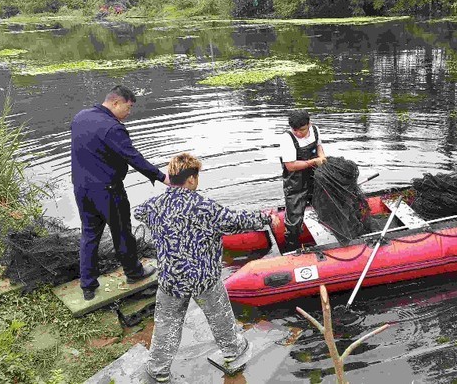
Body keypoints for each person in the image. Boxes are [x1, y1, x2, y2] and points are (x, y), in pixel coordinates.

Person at [134, 153, 279, 383]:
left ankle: (158, 369)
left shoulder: (154, 206)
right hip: (204, 279)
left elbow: (137, 212)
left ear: (171, 178)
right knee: (220, 319)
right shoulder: (204, 207)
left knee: (166, 327)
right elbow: (237, 221)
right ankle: (233, 351)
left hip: (171, 279)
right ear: (191, 179)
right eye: (197, 176)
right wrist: (267, 218)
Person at [70, 85, 170, 301]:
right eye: (129, 106)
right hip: (107, 190)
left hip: (81, 189)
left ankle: (88, 286)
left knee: (89, 235)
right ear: (116, 103)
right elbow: (133, 157)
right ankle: (134, 273)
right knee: (122, 232)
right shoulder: (113, 128)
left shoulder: (80, 117)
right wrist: (162, 177)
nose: (129, 112)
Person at [278, 110, 327, 252]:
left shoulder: (315, 130)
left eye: (302, 130)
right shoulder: (287, 139)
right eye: (295, 131)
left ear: (309, 124)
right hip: (295, 184)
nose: (299, 133)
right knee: (294, 221)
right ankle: (292, 249)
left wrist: (322, 157)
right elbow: (291, 165)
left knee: (325, 207)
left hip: (315, 179)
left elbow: (319, 147)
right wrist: (313, 162)